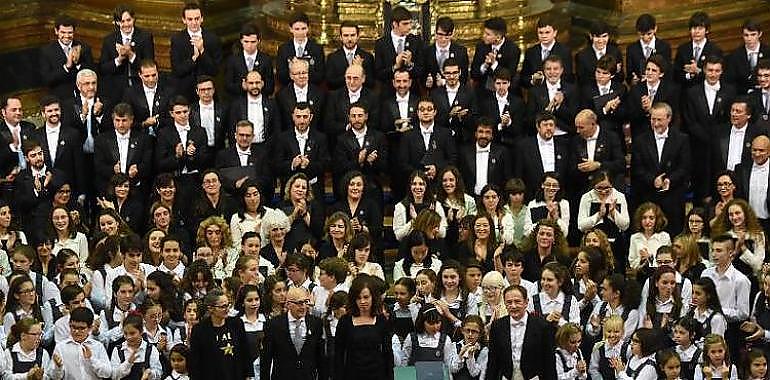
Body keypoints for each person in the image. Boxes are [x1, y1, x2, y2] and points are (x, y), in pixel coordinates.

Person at [486, 285, 557, 379]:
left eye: (517, 301)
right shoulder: (497, 326)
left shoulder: (543, 327)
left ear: (526, 302)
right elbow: (493, 362)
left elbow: (549, 363)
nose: (513, 306)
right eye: (509, 302)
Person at [334, 275, 393, 380]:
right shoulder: (345, 321)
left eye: (366, 297)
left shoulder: (381, 320)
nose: (362, 302)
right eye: (358, 298)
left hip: (378, 375)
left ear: (373, 297)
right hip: (351, 375)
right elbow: (338, 355)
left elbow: (387, 354)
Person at [189, 289, 254, 380]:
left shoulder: (237, 324)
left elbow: (245, 351)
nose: (227, 309)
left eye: (228, 305)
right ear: (211, 308)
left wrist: (248, 375)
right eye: (223, 306)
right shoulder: (199, 330)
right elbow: (195, 362)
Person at [260, 287, 323, 379]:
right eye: (300, 303)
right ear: (289, 304)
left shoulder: (316, 323)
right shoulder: (273, 325)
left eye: (306, 302)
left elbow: (320, 357)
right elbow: (266, 359)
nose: (304, 307)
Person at [93, 103, 153, 199]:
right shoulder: (101, 140)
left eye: (124, 120)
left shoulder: (144, 139)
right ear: (113, 120)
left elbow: (148, 164)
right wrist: (112, 169)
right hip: (110, 191)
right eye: (117, 120)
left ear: (131, 120)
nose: (120, 124)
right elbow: (98, 166)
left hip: (136, 191)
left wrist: (138, 169)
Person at [99, 4, 155, 100]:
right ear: (117, 22)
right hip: (116, 90)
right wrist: (119, 59)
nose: (126, 24)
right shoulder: (109, 40)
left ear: (133, 19)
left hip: (139, 87)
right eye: (122, 21)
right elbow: (103, 68)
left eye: (128, 20)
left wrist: (131, 55)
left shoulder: (145, 37)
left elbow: (149, 65)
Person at [169, 1, 222, 100]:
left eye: (197, 19)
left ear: (202, 19)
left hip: (207, 92)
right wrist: (193, 59)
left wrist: (202, 51)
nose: (194, 22)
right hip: (185, 93)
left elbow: (215, 70)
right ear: (184, 20)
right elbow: (177, 70)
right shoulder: (177, 40)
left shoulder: (212, 39)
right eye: (190, 19)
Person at [39, 15, 94, 104]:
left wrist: (77, 63)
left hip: (83, 98)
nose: (67, 36)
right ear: (56, 31)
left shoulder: (84, 48)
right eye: (63, 32)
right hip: (60, 100)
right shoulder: (47, 52)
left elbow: (92, 72)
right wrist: (66, 67)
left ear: (74, 32)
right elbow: (47, 79)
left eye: (70, 33)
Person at [515, 112, 570, 199]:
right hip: (533, 195)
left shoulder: (564, 145)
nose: (549, 128)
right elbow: (519, 173)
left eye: (551, 125)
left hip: (559, 196)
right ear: (538, 126)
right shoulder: (524, 146)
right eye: (545, 125)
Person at [569, 110, 625, 195]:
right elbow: (571, 168)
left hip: (608, 187)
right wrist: (580, 168)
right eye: (577, 127)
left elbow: (620, 164)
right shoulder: (576, 141)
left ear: (593, 124)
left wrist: (599, 165)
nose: (577, 131)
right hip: (584, 189)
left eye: (581, 127)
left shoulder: (611, 137)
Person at [49, 307, 113, 380]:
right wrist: (58, 367)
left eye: (81, 328)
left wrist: (91, 359)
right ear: (69, 324)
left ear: (90, 328)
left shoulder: (97, 346)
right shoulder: (61, 347)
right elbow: (54, 377)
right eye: (73, 327)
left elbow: (107, 373)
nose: (76, 331)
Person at [525, 55, 578, 136]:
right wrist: (547, 111)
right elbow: (529, 120)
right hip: (541, 137)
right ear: (544, 71)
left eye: (556, 69)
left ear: (561, 70)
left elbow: (574, 118)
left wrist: (559, 106)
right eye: (548, 69)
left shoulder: (571, 90)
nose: (552, 72)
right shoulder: (534, 91)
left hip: (565, 136)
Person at [373, 6, 424, 89]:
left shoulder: (416, 41)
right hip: (388, 93)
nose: (409, 27)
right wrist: (395, 67)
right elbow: (378, 73)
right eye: (405, 24)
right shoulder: (381, 44)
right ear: (395, 24)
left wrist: (409, 64)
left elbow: (421, 71)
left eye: (410, 23)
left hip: (412, 93)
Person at [430, 58, 478, 144]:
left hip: (464, 142)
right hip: (442, 141)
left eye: (455, 73)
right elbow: (433, 120)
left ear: (460, 72)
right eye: (448, 73)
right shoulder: (435, 94)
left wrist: (463, 117)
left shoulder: (470, 92)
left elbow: (476, 119)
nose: (451, 77)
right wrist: (449, 115)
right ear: (442, 73)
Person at [459, 119, 511, 197]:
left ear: (492, 135)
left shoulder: (502, 152)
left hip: (494, 200)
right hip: (470, 199)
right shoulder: (464, 152)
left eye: (487, 132)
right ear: (475, 134)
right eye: (481, 131)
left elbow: (507, 179)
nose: (484, 136)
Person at [673, 12, 723, 90]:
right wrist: (689, 75)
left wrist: (698, 71)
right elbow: (676, 74)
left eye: (700, 28)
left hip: (706, 91)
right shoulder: (682, 49)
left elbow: (718, 75)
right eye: (694, 28)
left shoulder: (715, 50)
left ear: (707, 30)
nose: (696, 32)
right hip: (686, 92)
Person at [470, 16, 521, 93]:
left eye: (488, 34)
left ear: (498, 37)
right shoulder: (481, 47)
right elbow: (474, 74)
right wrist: (485, 66)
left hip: (506, 92)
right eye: (484, 33)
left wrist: (494, 65)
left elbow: (509, 75)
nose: (484, 36)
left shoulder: (512, 50)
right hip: (484, 92)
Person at [224, 22, 275, 98]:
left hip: (260, 101)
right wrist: (241, 87)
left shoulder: (266, 60)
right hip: (240, 103)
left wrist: (259, 87)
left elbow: (270, 88)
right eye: (246, 41)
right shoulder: (232, 60)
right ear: (241, 41)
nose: (249, 45)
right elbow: (228, 86)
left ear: (259, 41)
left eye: (253, 42)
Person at [521, 16, 574, 88]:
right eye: (540, 33)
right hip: (537, 94)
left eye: (547, 32)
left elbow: (568, 78)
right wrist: (533, 80)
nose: (544, 36)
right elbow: (523, 78)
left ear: (555, 33)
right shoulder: (530, 52)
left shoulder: (564, 52)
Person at [121, 59, 172, 135]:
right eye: (147, 76)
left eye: (154, 75)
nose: (151, 79)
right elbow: (126, 119)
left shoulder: (168, 92)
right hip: (138, 137)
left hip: (163, 137)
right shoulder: (130, 93)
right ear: (140, 75)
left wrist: (158, 122)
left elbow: (172, 118)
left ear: (158, 73)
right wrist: (143, 124)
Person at [478, 68, 526, 147]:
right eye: (498, 83)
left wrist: (509, 123)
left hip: (512, 145)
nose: (501, 87)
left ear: (509, 84)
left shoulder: (518, 102)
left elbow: (519, 129)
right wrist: (501, 125)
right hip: (492, 144)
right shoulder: (485, 103)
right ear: (494, 84)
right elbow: (485, 125)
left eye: (504, 83)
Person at [276, 11, 325, 87]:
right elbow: (281, 76)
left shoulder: (317, 49)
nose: (300, 32)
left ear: (308, 28)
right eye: (297, 29)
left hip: (311, 89)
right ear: (291, 29)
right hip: (289, 90)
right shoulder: (283, 49)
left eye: (303, 28)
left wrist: (304, 67)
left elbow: (320, 76)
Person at [108, 312, 163, 380]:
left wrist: (150, 373)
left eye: (132, 333)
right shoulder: (118, 350)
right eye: (125, 333)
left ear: (141, 331)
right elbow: (114, 376)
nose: (128, 337)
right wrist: (128, 363)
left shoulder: (151, 349)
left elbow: (159, 373)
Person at [277, 58, 325, 132]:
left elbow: (323, 122)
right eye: (297, 73)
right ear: (291, 76)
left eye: (304, 73)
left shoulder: (320, 94)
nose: (301, 76)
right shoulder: (281, 95)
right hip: (289, 139)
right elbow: (280, 123)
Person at [325, 21, 375, 91]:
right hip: (339, 99)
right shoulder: (332, 58)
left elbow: (371, 83)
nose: (349, 39)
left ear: (358, 36)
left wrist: (360, 70)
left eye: (352, 35)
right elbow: (330, 83)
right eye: (346, 35)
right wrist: (350, 74)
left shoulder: (368, 57)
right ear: (340, 37)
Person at [726, 19, 770, 95]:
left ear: (759, 34)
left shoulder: (768, 52)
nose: (749, 39)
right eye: (746, 35)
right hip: (743, 96)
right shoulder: (735, 56)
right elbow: (730, 82)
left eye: (753, 34)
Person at [574, 20, 624, 87]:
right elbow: (581, 81)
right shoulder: (582, 56)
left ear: (608, 36)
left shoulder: (616, 52)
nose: (600, 41)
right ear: (591, 36)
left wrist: (616, 71)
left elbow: (620, 78)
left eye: (604, 36)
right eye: (597, 37)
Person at [626, 14, 672, 85]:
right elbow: (629, 74)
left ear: (655, 29)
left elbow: (668, 73)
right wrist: (633, 80)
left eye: (649, 34)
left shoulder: (664, 47)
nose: (645, 38)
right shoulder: (632, 49)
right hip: (639, 88)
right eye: (642, 34)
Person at [190, 75, 227, 161]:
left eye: (209, 89)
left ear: (213, 90)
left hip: (219, 152)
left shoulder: (223, 109)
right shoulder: (191, 110)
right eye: (202, 90)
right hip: (198, 153)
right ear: (197, 91)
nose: (206, 92)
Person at [588, 315, 626, 380]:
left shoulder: (628, 349)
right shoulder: (598, 348)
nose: (612, 335)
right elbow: (593, 369)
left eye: (616, 332)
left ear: (622, 332)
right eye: (609, 331)